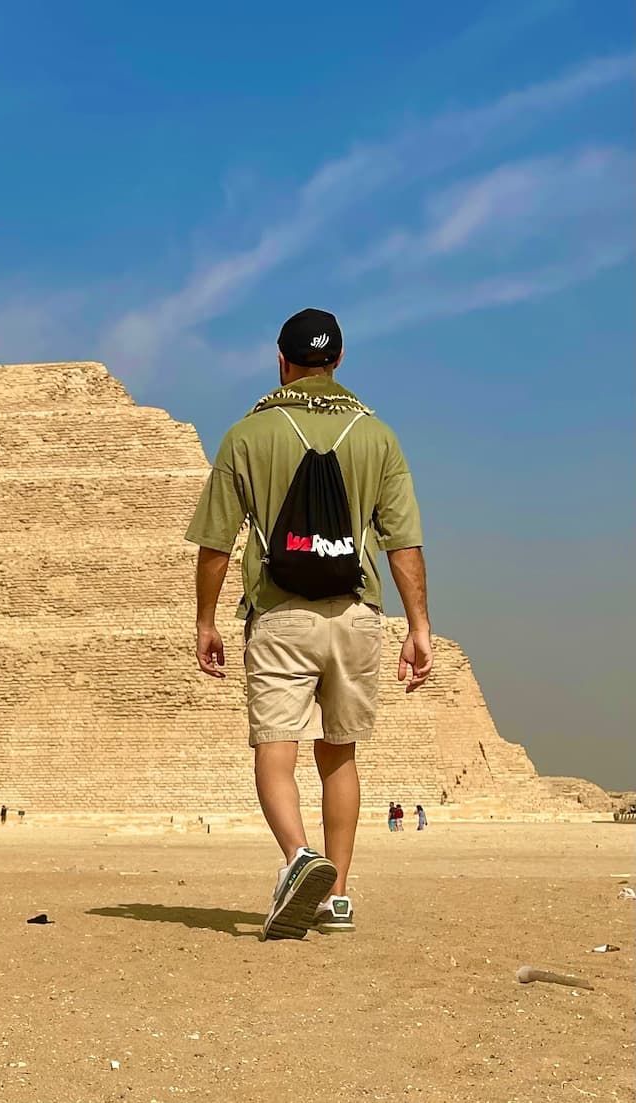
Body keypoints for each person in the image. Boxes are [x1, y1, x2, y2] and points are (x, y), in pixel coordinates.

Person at [189, 308, 430, 941]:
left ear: (281, 361)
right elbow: (402, 541)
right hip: (355, 614)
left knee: (276, 747)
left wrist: (205, 620)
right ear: (340, 361)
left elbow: (215, 544)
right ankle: (339, 897)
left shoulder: (247, 435)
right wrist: (419, 627)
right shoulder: (377, 436)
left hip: (278, 612)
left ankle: (299, 859)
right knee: (339, 753)